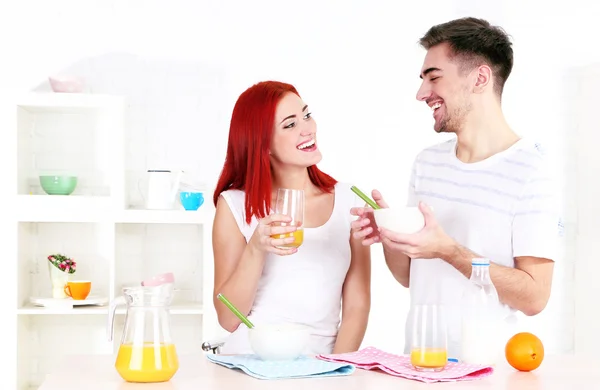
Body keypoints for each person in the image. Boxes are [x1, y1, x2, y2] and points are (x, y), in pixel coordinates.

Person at [351, 17, 562, 359]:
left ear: (480, 78)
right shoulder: (427, 163)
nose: (421, 94)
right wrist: (391, 235)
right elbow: (409, 276)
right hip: (419, 364)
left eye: (434, 77)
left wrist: (449, 250)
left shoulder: (531, 171)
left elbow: (535, 298)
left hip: (487, 371)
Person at [211, 80, 371, 355]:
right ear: (263, 144)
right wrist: (256, 249)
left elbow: (357, 304)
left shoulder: (350, 201)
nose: (307, 128)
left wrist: (336, 368)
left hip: (323, 366)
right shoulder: (235, 205)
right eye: (290, 124)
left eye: (306, 115)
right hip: (250, 363)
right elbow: (229, 318)